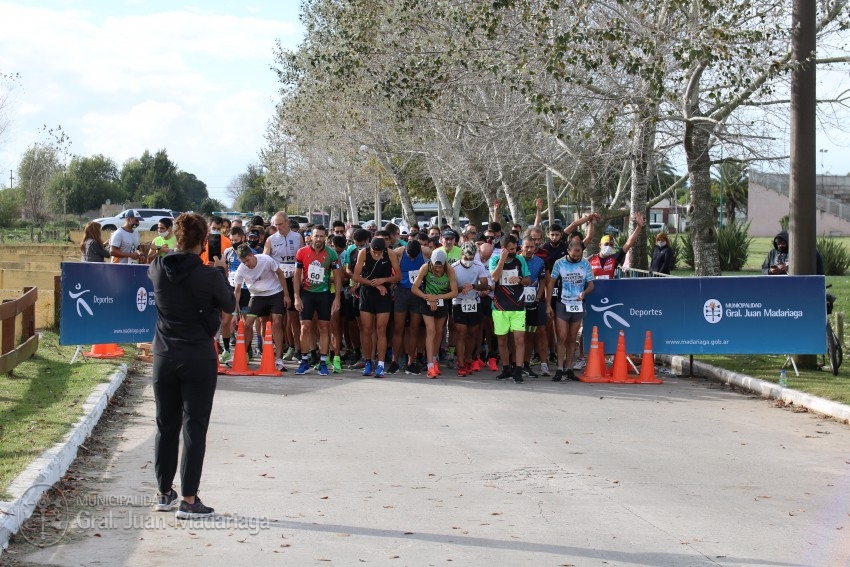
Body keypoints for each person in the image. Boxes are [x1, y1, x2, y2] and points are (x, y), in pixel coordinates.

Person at [148, 213, 234, 519]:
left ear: (176, 237)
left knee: (165, 425)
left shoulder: (157, 268)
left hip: (164, 356)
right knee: (194, 428)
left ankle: (163, 493)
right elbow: (229, 305)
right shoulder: (209, 275)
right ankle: (189, 499)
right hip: (198, 357)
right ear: (202, 241)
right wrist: (220, 271)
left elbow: (165, 264)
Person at [293, 225, 342, 376]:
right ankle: (304, 360)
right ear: (311, 237)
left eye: (322, 236)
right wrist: (296, 296)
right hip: (307, 294)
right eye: (316, 236)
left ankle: (323, 362)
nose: (319, 239)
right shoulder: (302, 252)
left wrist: (337, 298)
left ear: (325, 237)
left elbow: (338, 277)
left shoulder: (331, 254)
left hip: (324, 295)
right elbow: (296, 275)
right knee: (305, 328)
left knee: (324, 328)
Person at [233, 244, 291, 371]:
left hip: (274, 292)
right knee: (248, 323)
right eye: (244, 262)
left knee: (276, 321)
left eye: (248, 260)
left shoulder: (266, 260)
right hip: (257, 296)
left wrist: (286, 294)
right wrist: (234, 312)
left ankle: (279, 358)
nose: (247, 264)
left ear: (252, 255)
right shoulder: (241, 269)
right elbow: (237, 291)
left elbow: (280, 273)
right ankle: (243, 354)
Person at [352, 236, 401, 377]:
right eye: (374, 252)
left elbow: (398, 276)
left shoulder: (390, 254)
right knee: (366, 330)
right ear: (370, 247)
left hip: (383, 294)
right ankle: (368, 361)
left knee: (381, 330)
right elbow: (356, 276)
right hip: (367, 293)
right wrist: (375, 284)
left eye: (379, 252)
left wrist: (384, 280)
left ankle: (380, 364)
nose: (377, 255)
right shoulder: (363, 253)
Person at [547, 239, 594, 382]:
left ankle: (569, 368)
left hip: (578, 303)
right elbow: (551, 283)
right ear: (568, 251)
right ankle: (560, 369)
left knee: (572, 337)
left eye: (579, 254)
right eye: (574, 254)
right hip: (562, 303)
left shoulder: (585, 263)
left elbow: (591, 285)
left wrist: (584, 293)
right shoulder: (559, 263)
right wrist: (548, 304)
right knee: (562, 336)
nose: (576, 257)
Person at [489, 234, 531, 383]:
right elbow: (494, 278)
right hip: (500, 306)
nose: (515, 251)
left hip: (518, 306)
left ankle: (518, 370)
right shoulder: (494, 260)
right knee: (502, 340)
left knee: (519, 339)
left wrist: (520, 279)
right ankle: (506, 369)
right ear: (504, 249)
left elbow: (528, 279)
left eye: (515, 248)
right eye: (511, 249)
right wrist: (502, 260)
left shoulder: (520, 260)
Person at [411, 248, 458, 378]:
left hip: (441, 301)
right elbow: (414, 288)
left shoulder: (450, 271)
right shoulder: (425, 268)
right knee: (430, 330)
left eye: (440, 266)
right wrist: (428, 297)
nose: (437, 269)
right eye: (435, 266)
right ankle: (430, 365)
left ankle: (434, 359)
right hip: (426, 301)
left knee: (438, 331)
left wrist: (437, 298)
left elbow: (454, 292)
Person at [450, 242, 489, 377]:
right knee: (461, 334)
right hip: (459, 302)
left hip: (474, 302)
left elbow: (485, 286)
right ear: (461, 255)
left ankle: (468, 359)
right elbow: (451, 288)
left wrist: (473, 286)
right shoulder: (453, 268)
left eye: (471, 258)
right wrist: (462, 289)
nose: (469, 261)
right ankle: (460, 363)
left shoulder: (479, 266)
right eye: (466, 258)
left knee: (473, 333)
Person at [590, 212, 645, 279]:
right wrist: (590, 221)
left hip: (610, 289)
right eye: (606, 244)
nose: (609, 246)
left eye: (611, 245)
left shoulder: (614, 258)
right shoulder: (591, 259)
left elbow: (629, 243)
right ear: (600, 245)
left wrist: (639, 227)